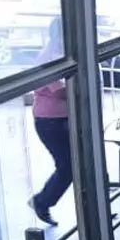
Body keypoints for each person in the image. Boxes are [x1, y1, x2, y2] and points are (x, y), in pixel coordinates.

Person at [29, 16, 70, 226]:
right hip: (50, 123)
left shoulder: (63, 53)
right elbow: (63, 91)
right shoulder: (47, 58)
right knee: (67, 167)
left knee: (80, 163)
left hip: (64, 119)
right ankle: (41, 201)